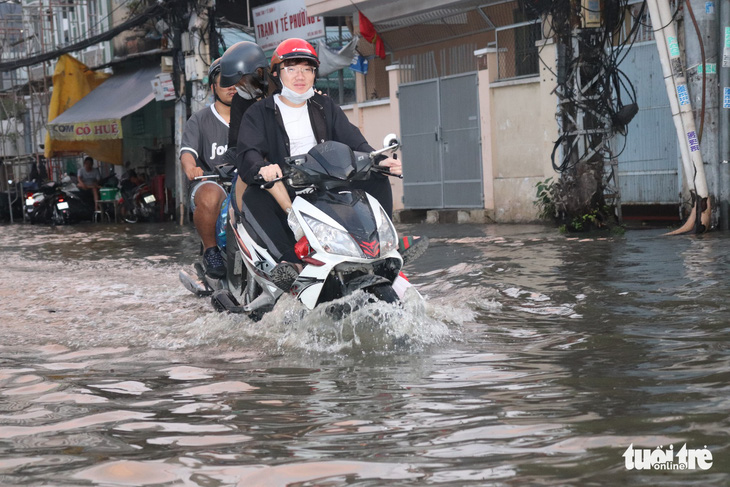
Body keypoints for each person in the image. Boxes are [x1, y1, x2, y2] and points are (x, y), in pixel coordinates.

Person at [236, 38, 427, 291]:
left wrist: (381, 160)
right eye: (291, 69)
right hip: (287, 185)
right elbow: (249, 152)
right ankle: (290, 263)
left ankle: (384, 243)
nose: (300, 76)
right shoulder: (259, 112)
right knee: (253, 197)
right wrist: (262, 168)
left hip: (328, 181)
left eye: (307, 69)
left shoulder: (325, 105)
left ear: (315, 73)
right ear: (276, 73)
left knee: (376, 177)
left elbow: (356, 142)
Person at [180, 58, 236, 279]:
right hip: (212, 183)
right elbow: (187, 153)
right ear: (213, 87)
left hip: (246, 181)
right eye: (226, 81)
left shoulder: (254, 116)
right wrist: (191, 167)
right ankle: (211, 251)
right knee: (211, 194)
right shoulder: (200, 120)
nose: (233, 87)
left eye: (237, 81)